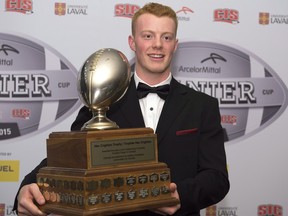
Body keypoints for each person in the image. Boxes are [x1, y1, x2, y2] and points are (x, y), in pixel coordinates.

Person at [13, 2, 229, 216]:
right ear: (132, 42)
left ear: (175, 44)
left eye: (166, 37)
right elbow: (67, 158)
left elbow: (217, 177)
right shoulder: (103, 101)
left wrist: (181, 195)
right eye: (148, 36)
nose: (157, 45)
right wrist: (28, 186)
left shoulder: (202, 106)